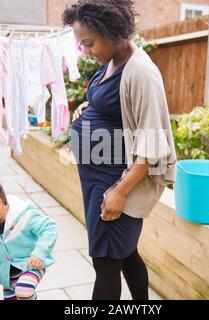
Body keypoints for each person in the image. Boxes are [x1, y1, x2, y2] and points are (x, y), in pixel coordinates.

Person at [63, 0, 177, 300]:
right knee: (124, 254)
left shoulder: (141, 72)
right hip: (98, 177)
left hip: (116, 180)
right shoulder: (112, 62)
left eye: (89, 43)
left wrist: (120, 192)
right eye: (81, 45)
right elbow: (115, 106)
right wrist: (90, 108)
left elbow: (152, 147)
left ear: (111, 30)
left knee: (106, 262)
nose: (86, 51)